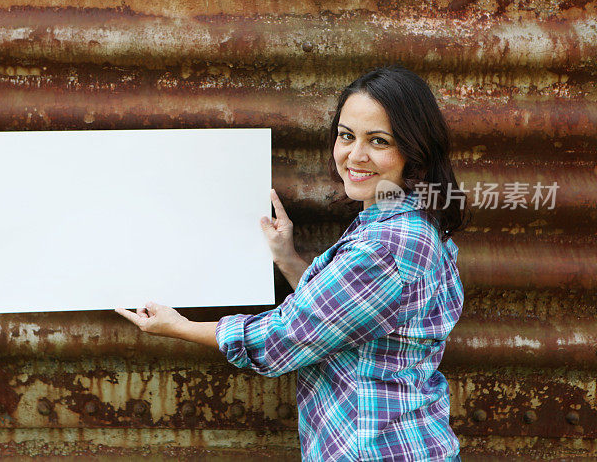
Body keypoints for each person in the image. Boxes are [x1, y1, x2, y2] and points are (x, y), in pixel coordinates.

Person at [115, 65, 469, 461]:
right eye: (347, 136)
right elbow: (340, 316)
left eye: (379, 141)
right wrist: (287, 258)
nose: (356, 155)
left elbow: (288, 337)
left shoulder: (388, 244)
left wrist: (179, 327)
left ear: (414, 149)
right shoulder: (404, 218)